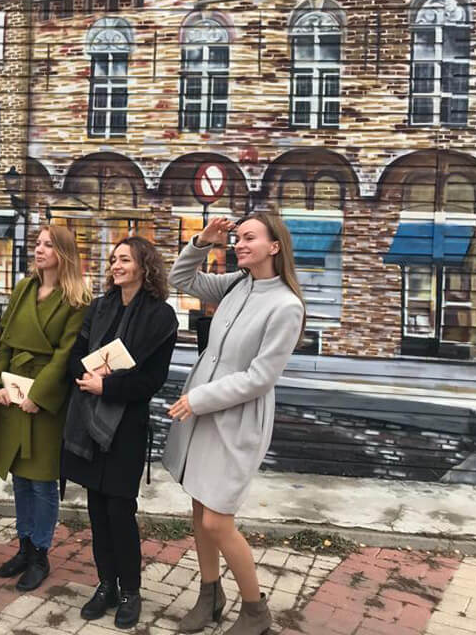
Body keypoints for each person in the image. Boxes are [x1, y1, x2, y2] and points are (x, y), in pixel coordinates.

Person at [163, 213, 305, 635]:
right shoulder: (237, 284)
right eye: (238, 237)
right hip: (202, 411)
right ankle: (210, 595)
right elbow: (181, 279)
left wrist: (199, 399)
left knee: (216, 520)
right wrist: (202, 241)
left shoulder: (286, 306)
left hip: (237, 419)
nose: (240, 244)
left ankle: (255, 610)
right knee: (198, 504)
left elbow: (260, 378)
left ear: (274, 246)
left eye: (250, 237)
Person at [63, 236, 178, 629]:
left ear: (145, 266)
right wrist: (86, 378)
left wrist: (108, 387)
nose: (116, 265)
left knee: (119, 511)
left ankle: (130, 591)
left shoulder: (161, 317)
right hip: (88, 419)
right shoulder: (100, 307)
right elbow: (77, 354)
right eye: (113, 259)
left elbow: (152, 380)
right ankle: (105, 585)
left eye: (124, 259)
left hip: (126, 425)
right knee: (96, 510)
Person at [0, 225, 90, 592]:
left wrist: (40, 395)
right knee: (20, 478)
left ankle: (40, 554)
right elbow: (5, 341)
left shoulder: (77, 298)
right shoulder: (23, 288)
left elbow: (65, 354)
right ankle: (24, 547)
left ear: (64, 253)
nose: (40, 249)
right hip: (14, 391)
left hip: (46, 399)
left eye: (49, 244)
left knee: (43, 481)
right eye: (38, 243)